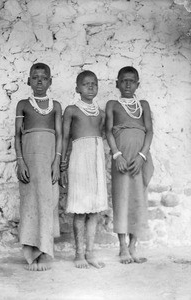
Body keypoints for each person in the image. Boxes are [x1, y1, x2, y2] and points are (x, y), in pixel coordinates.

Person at [15, 62, 62, 271]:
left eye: (44, 77)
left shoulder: (56, 106)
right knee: (30, 204)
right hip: (30, 163)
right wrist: (20, 161)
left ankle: (44, 252)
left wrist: (57, 163)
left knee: (48, 203)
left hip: (49, 161)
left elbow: (60, 135)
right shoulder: (22, 104)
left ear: (50, 81)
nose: (39, 81)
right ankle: (31, 251)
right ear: (28, 81)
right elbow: (17, 135)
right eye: (35, 77)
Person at [105, 66, 154, 264]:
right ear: (117, 83)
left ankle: (134, 246)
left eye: (131, 81)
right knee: (121, 200)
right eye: (123, 81)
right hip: (122, 160)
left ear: (137, 84)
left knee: (138, 200)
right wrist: (117, 155)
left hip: (139, 158)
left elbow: (149, 131)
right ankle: (123, 247)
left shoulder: (143, 104)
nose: (127, 84)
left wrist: (142, 156)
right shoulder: (112, 105)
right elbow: (108, 131)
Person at [61, 70, 108, 269]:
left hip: (96, 159)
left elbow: (103, 136)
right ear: (77, 88)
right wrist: (62, 163)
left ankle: (90, 251)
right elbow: (64, 138)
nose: (90, 87)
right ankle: (79, 253)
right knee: (80, 210)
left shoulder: (101, 114)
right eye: (86, 84)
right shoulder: (71, 110)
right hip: (79, 159)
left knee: (95, 210)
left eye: (94, 84)